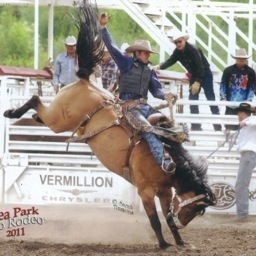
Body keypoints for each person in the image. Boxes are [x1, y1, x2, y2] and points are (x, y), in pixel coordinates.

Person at [99, 13, 177, 174]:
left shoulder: (149, 70)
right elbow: (112, 48)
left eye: (148, 53)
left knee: (167, 124)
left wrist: (165, 95)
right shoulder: (126, 63)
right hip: (129, 108)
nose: (148, 55)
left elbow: (156, 89)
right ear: (137, 53)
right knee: (147, 129)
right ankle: (164, 160)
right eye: (146, 52)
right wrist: (103, 28)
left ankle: (179, 158)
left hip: (145, 107)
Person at [154, 33, 222, 132]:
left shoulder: (192, 49)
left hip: (205, 73)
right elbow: (170, 61)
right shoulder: (177, 52)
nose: (178, 44)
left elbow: (201, 67)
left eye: (180, 41)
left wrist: (197, 82)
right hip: (194, 75)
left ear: (184, 40)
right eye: (176, 42)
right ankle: (196, 126)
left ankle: (218, 127)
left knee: (211, 99)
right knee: (192, 100)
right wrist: (159, 66)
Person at [220, 48, 256, 131]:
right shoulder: (228, 70)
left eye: (243, 58)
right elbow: (223, 85)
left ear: (246, 59)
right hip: (230, 103)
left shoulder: (250, 72)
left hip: (244, 105)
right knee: (229, 127)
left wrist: (249, 99)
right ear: (236, 59)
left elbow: (252, 87)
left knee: (244, 128)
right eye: (239, 58)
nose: (241, 60)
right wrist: (223, 97)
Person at [234, 102, 256, 221]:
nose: (237, 115)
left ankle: (242, 215)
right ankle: (242, 214)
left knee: (241, 185)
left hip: (249, 154)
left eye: (238, 113)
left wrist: (246, 122)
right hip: (247, 155)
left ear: (242, 113)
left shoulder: (251, 121)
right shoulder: (246, 125)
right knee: (241, 185)